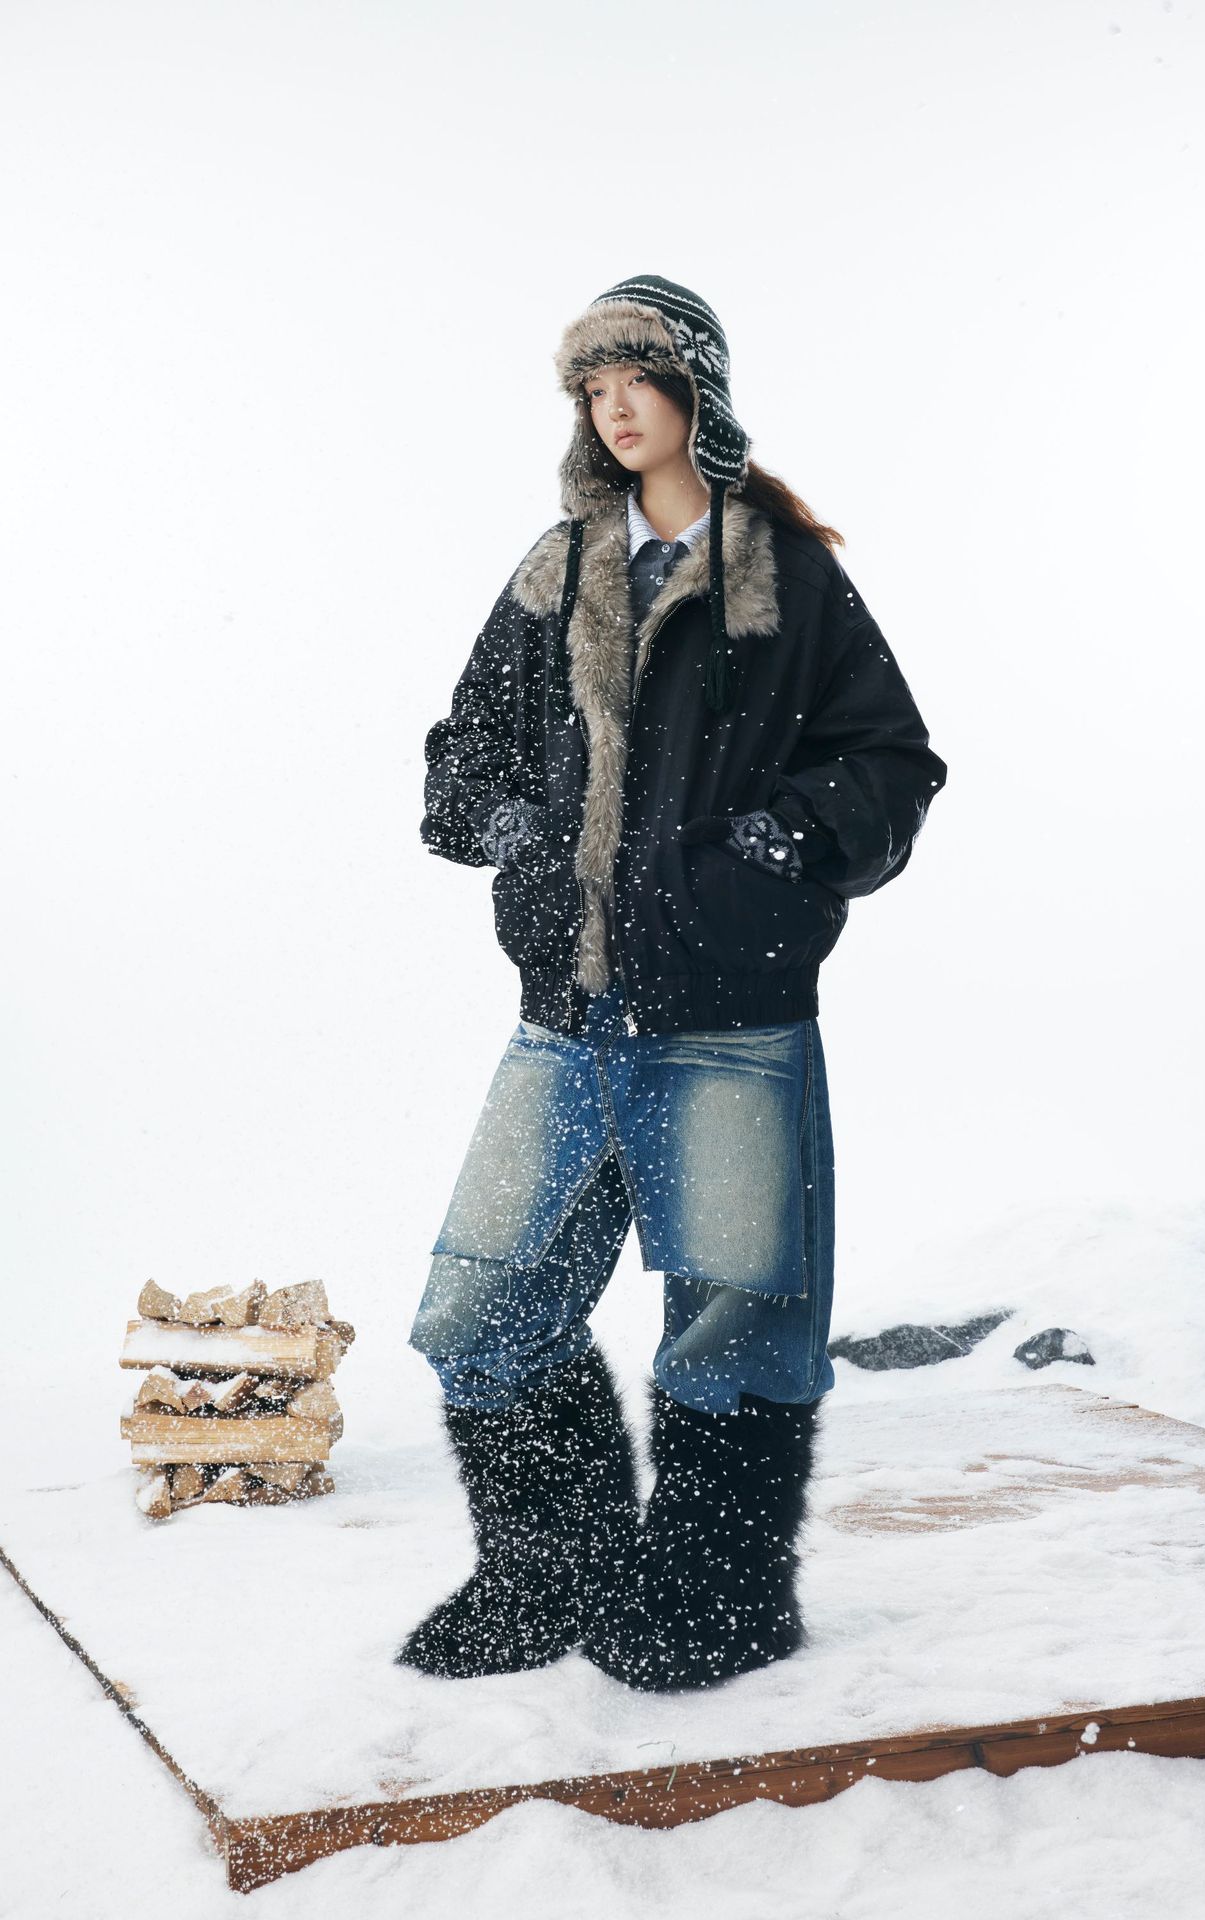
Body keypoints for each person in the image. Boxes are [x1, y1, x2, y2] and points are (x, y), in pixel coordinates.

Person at [397, 274, 947, 1693]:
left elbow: (891, 760)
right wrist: (514, 831)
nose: (614, 407)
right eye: (592, 387)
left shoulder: (783, 572)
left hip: (729, 1018)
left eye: (636, 376)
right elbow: (461, 755)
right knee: (481, 1308)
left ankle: (719, 1597)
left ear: (696, 388)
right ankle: (551, 1575)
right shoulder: (556, 568)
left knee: (735, 1324)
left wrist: (775, 849)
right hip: (567, 1017)